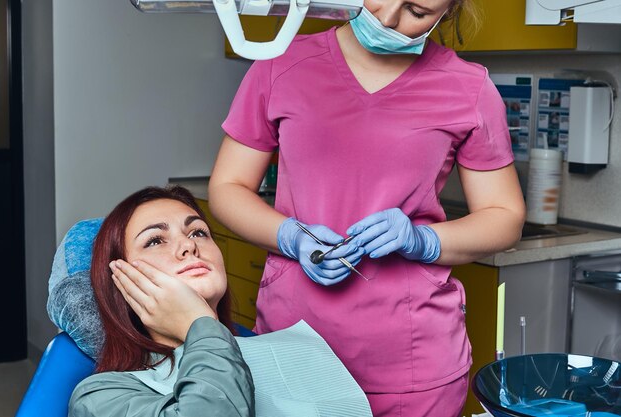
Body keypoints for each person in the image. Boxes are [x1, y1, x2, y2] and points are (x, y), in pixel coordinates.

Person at [207, 0, 527, 415]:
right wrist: (290, 236)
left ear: (447, 13)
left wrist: (422, 240)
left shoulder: (469, 88)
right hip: (295, 347)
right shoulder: (280, 65)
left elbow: (505, 217)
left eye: (417, 10)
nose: (387, 18)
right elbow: (228, 187)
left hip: (413, 364)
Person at [68, 186, 255, 417]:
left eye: (198, 232)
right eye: (155, 240)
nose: (189, 246)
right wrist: (199, 322)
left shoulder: (280, 349)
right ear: (120, 282)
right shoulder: (99, 399)